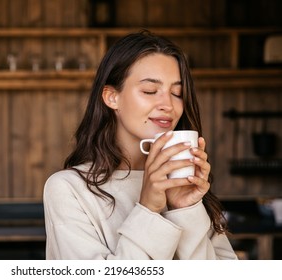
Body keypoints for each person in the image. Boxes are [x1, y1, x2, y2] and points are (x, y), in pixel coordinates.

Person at [43, 30, 237, 260]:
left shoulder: (185, 182)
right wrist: (147, 208)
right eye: (150, 91)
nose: (168, 104)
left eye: (177, 93)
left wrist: (185, 209)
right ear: (112, 97)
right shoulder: (69, 189)